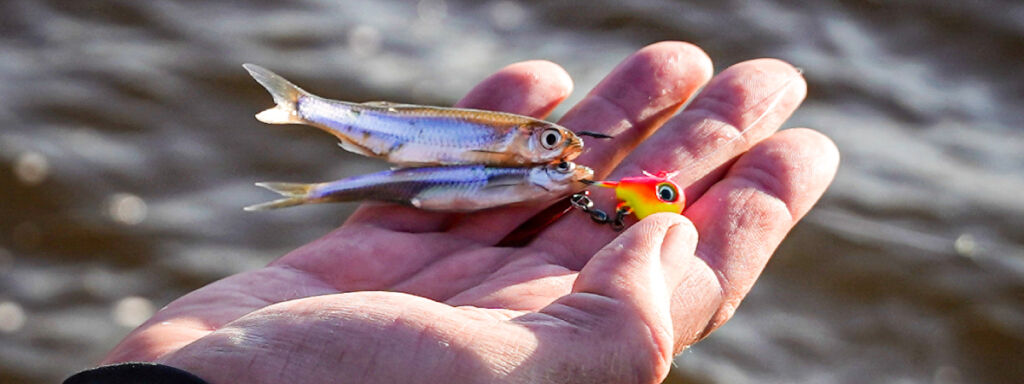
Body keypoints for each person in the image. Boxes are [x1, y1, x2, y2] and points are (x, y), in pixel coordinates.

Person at [66, 41, 838, 384]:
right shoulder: (523, 159)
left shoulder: (536, 168)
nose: (554, 154)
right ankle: (307, 111)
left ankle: (310, 137)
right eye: (547, 144)